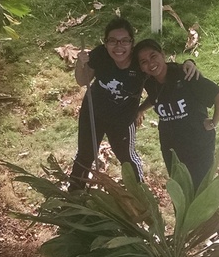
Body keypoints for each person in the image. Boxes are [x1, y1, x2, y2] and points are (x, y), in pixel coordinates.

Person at [70, 18, 198, 190]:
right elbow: (82, 80)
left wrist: (189, 63)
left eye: (124, 41)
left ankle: (139, 194)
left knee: (127, 158)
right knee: (85, 154)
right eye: (112, 41)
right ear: (105, 43)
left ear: (132, 43)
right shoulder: (99, 54)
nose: (118, 47)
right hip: (93, 111)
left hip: (122, 119)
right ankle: (75, 194)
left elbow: (162, 75)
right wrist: (80, 64)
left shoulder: (140, 62)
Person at [134, 39, 219, 190]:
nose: (150, 63)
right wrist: (140, 109)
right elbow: (155, 98)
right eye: (143, 61)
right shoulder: (150, 82)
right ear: (141, 67)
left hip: (197, 144)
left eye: (153, 56)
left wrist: (213, 123)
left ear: (162, 54)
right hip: (171, 145)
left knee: (200, 191)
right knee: (179, 190)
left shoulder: (185, 74)